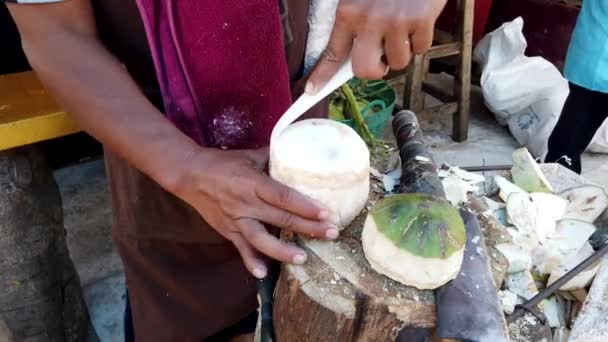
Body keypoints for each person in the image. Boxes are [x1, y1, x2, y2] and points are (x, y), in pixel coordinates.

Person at [5, 0, 447, 340]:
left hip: (300, 112)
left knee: (314, 299)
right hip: (158, 145)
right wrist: (185, 167)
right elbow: (56, 31)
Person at [545, 0, 608, 174]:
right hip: (596, 60)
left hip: (593, 56)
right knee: (572, 134)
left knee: (577, 133)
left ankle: (561, 175)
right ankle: (556, 179)